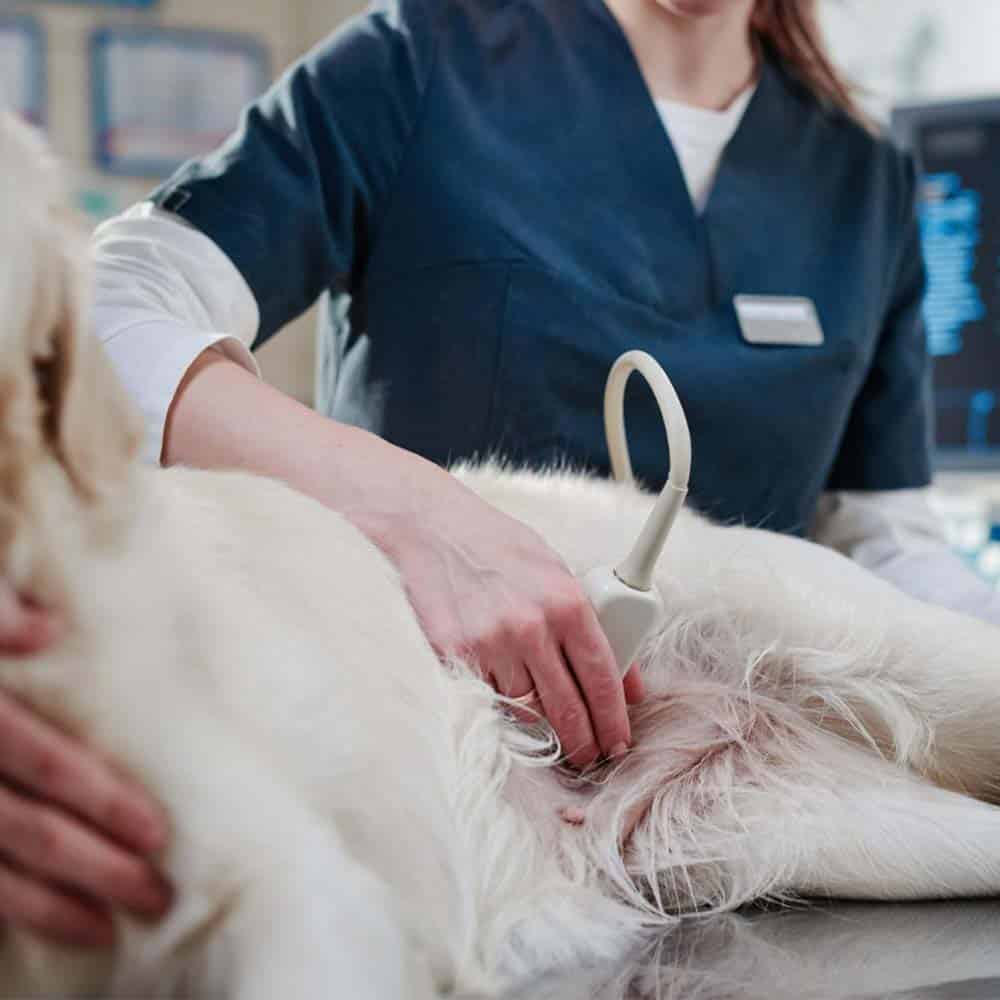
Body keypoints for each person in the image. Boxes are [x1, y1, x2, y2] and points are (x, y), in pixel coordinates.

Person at [5, 0, 999, 949]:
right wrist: (418, 518)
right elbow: (99, 311)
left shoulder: (860, 177)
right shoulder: (422, 61)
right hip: (433, 745)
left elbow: (883, 540)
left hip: (738, 748)